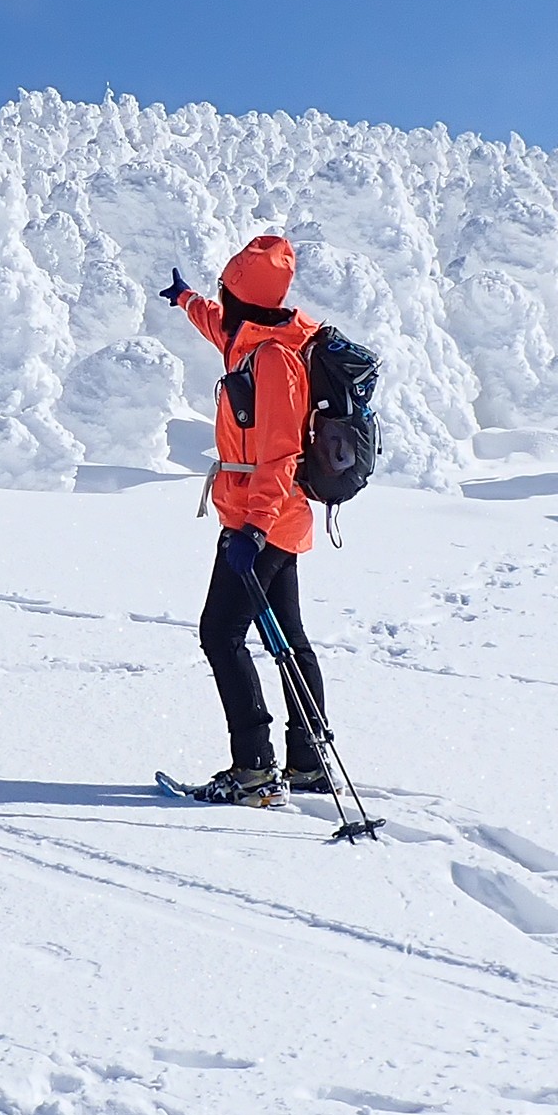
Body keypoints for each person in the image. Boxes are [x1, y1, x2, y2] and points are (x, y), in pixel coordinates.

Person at [160, 235, 332, 805]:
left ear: (242, 296)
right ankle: (307, 764)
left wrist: (253, 528)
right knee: (287, 635)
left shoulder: (276, 359)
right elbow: (218, 325)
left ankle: (254, 769)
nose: (218, 300)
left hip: (265, 519)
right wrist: (186, 300)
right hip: (267, 517)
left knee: (221, 632)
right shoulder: (251, 338)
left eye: (223, 291)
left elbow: (281, 452)